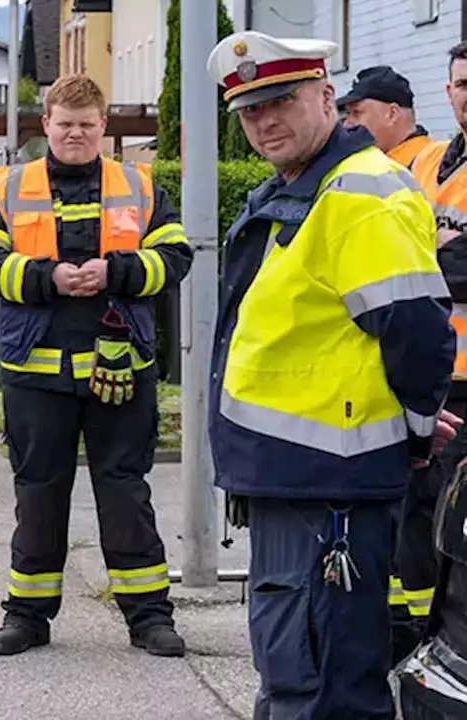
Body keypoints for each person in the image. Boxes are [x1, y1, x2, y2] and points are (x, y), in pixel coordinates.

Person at [206, 30, 459, 718]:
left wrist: (406, 431)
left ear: (328, 98)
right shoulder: (301, 188)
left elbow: (417, 332)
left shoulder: (355, 194)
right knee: (300, 674)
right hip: (301, 478)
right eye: (251, 112)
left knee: (317, 685)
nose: (265, 123)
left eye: (282, 101)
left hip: (326, 485)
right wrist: (399, 419)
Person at [0, 74, 193, 658]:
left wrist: (115, 272)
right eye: (65, 124)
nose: (75, 134)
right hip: (37, 374)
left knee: (125, 496)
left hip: (121, 370)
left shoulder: (139, 186)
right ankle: (28, 617)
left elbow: (176, 257)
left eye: (87, 125)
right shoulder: (10, 186)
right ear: (47, 125)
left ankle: (149, 619)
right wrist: (49, 278)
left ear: (102, 128)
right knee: (39, 494)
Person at [338, 63, 445, 664]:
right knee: (409, 515)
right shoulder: (404, 168)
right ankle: (403, 626)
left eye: (360, 111)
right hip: (405, 366)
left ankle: (421, 632)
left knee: (426, 511)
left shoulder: (412, 165)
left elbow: (421, 271)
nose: (350, 120)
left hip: (435, 366)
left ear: (394, 114)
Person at [405, 38, 467, 668]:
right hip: (432, 369)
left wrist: (435, 252)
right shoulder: (427, 161)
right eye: (462, 83)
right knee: (424, 517)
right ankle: (425, 639)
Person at [338, 65, 433, 168]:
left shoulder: (429, 167)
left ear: (392, 114)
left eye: (356, 113)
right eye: (348, 114)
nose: (346, 125)